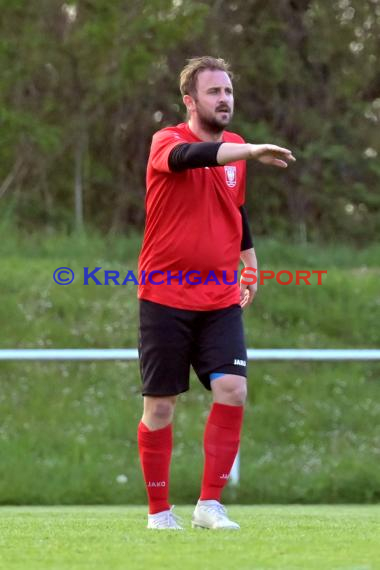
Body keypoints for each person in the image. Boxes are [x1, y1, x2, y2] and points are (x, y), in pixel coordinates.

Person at [137, 56, 295, 530]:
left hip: (220, 296)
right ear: (190, 100)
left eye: (228, 91)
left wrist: (249, 263)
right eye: (213, 92)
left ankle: (209, 505)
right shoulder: (167, 142)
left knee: (232, 388)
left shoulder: (239, 148)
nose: (224, 99)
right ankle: (159, 513)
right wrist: (245, 153)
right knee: (161, 408)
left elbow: (235, 209)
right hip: (164, 294)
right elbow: (192, 159)